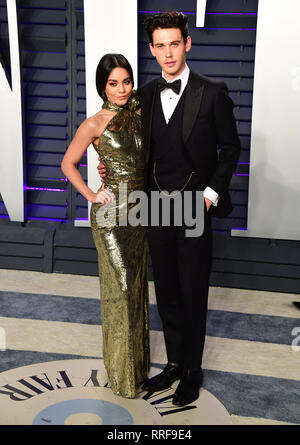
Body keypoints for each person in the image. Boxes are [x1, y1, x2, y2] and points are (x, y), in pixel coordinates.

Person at [99, 11, 241, 406]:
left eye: (174, 43)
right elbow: (126, 143)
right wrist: (105, 162)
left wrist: (211, 195)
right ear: (152, 49)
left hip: (195, 205)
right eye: (160, 46)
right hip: (155, 205)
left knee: (193, 291)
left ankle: (193, 371)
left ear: (187, 44)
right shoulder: (143, 94)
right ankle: (176, 363)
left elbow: (230, 150)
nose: (168, 53)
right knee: (168, 291)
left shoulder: (212, 92)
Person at [61, 54, 150, 399]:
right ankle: (122, 375)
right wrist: (91, 194)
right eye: (113, 83)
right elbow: (68, 163)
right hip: (110, 219)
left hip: (140, 214)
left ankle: (137, 369)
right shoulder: (94, 123)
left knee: (138, 289)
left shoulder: (143, 115)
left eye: (126, 81)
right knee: (121, 291)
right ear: (102, 86)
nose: (122, 89)